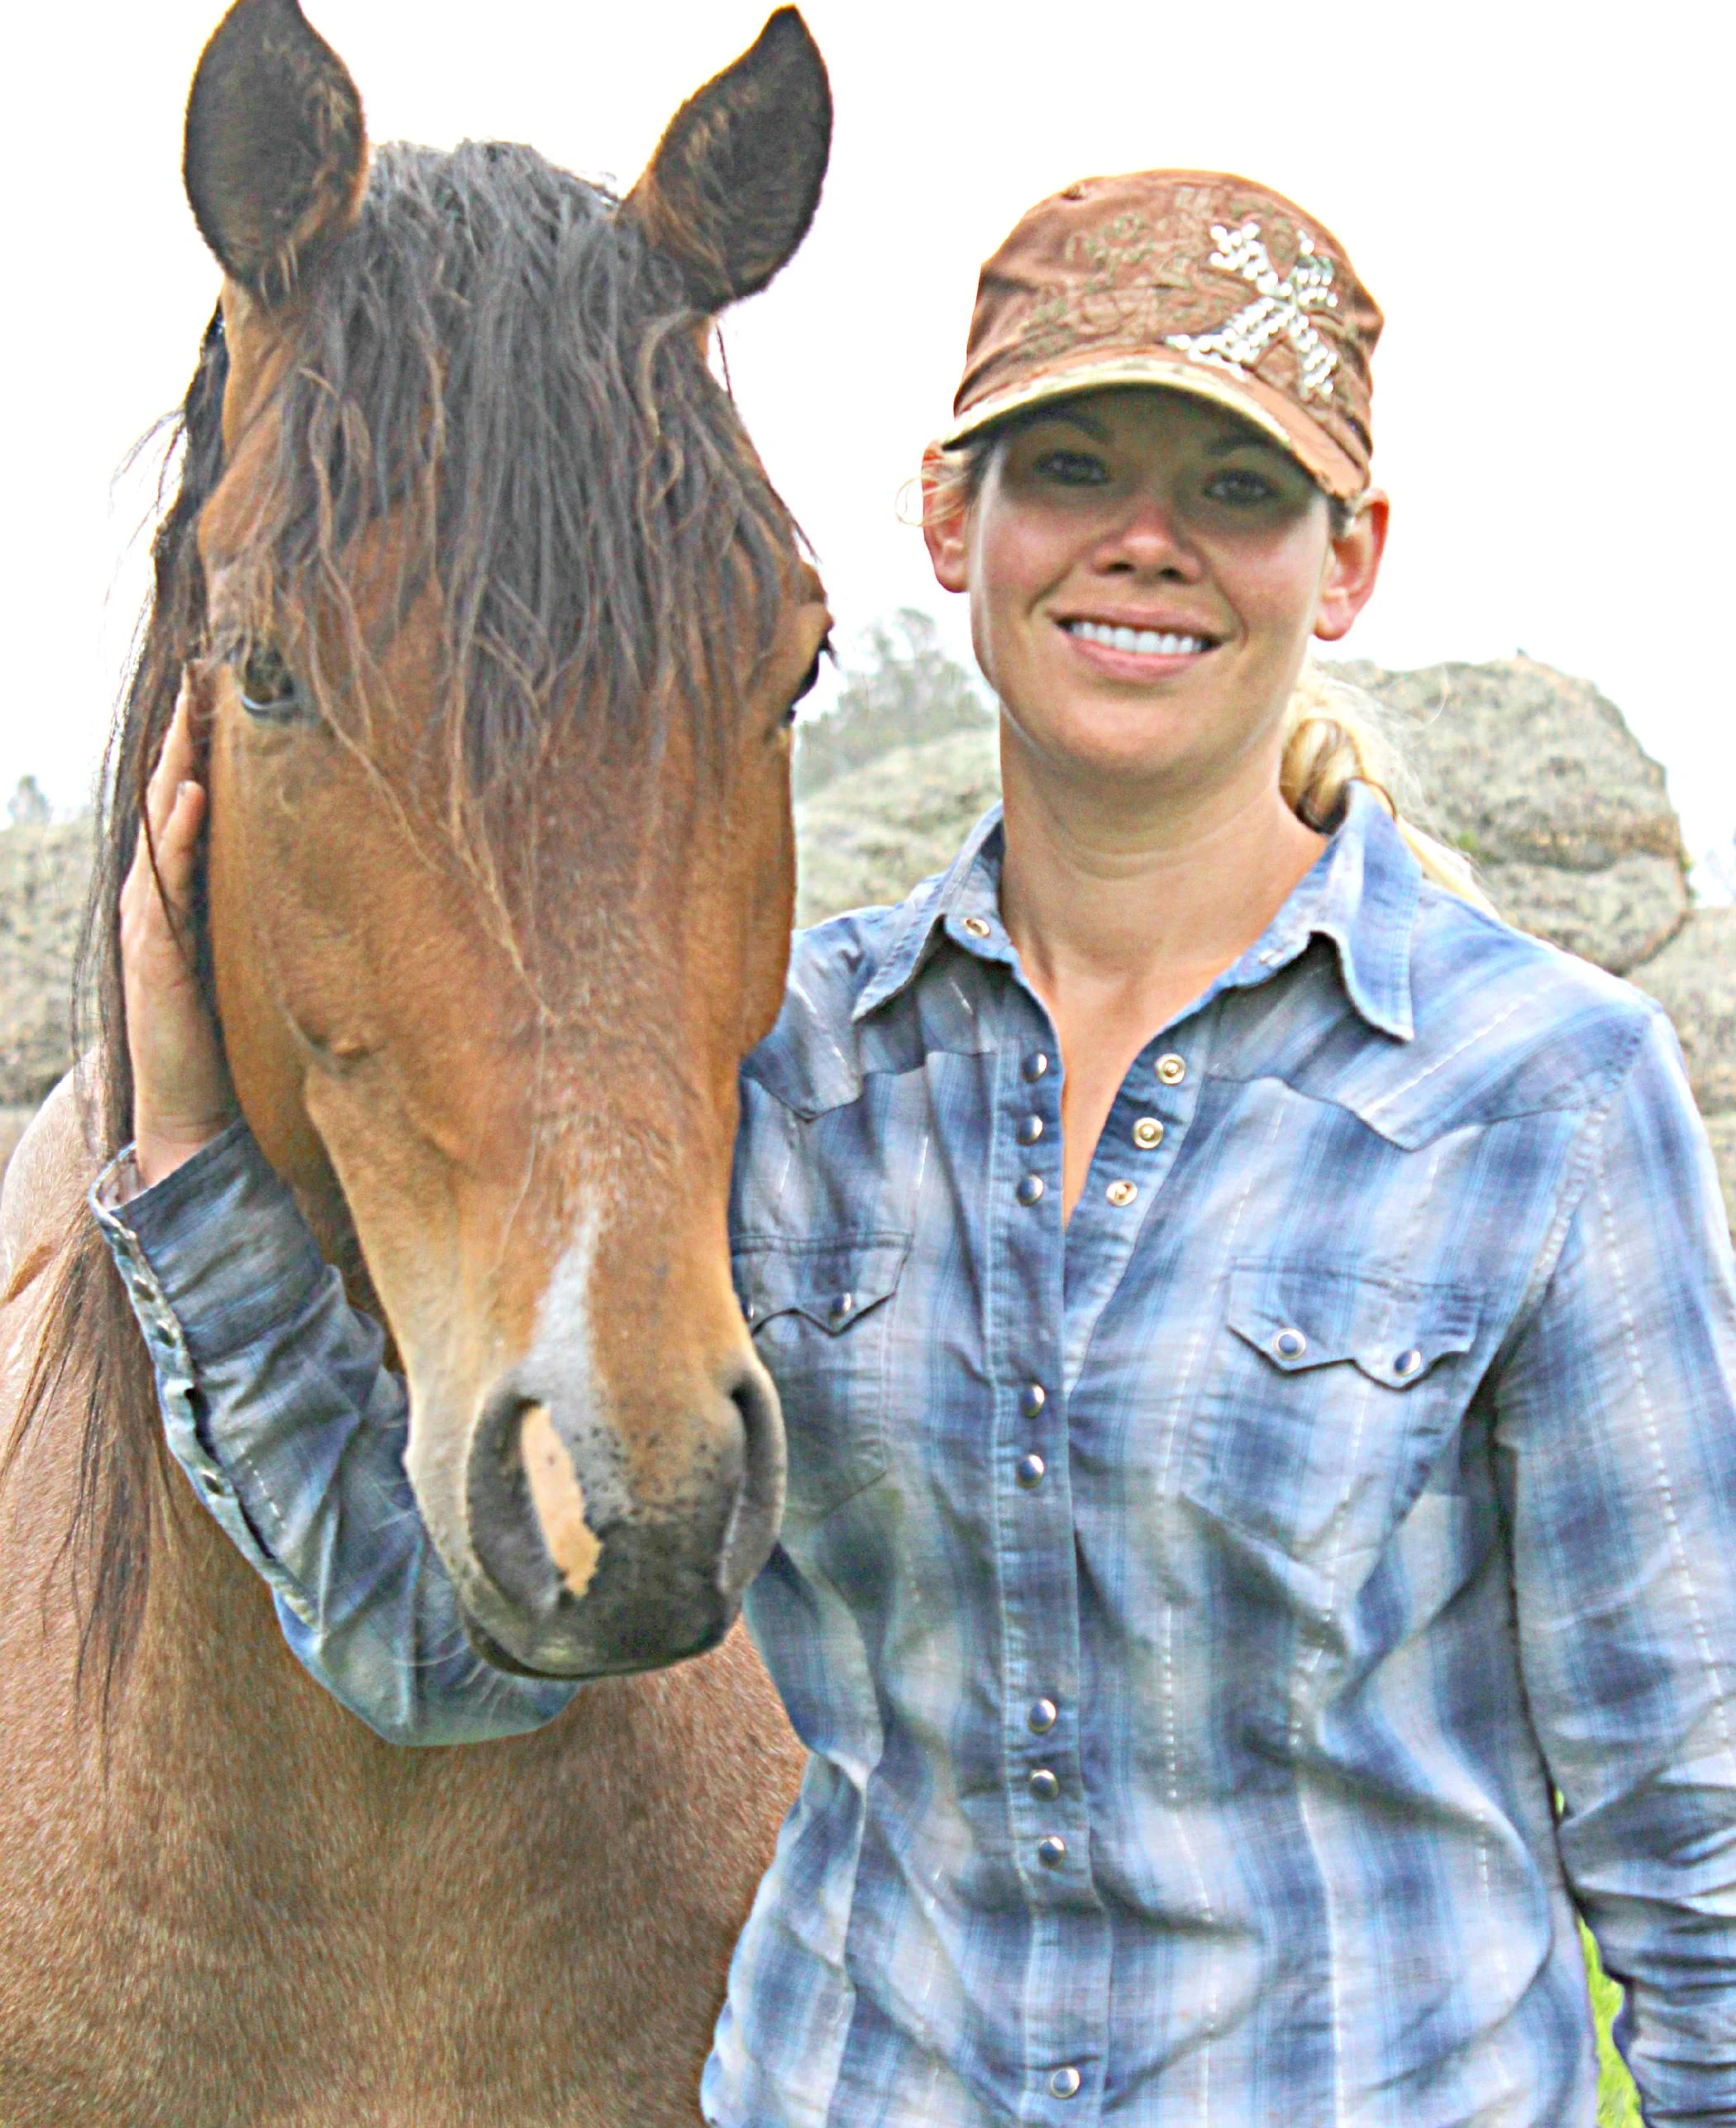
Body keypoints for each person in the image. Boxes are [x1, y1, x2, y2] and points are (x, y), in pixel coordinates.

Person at [98, 171, 1736, 2123]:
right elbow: (458, 1649)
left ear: (1350, 557)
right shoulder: (789, 1088)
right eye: (1071, 467)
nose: (1147, 543)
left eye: (1237, 489)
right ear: (954, 525)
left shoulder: (1545, 1097)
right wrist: (190, 1154)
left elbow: (1695, 1853)